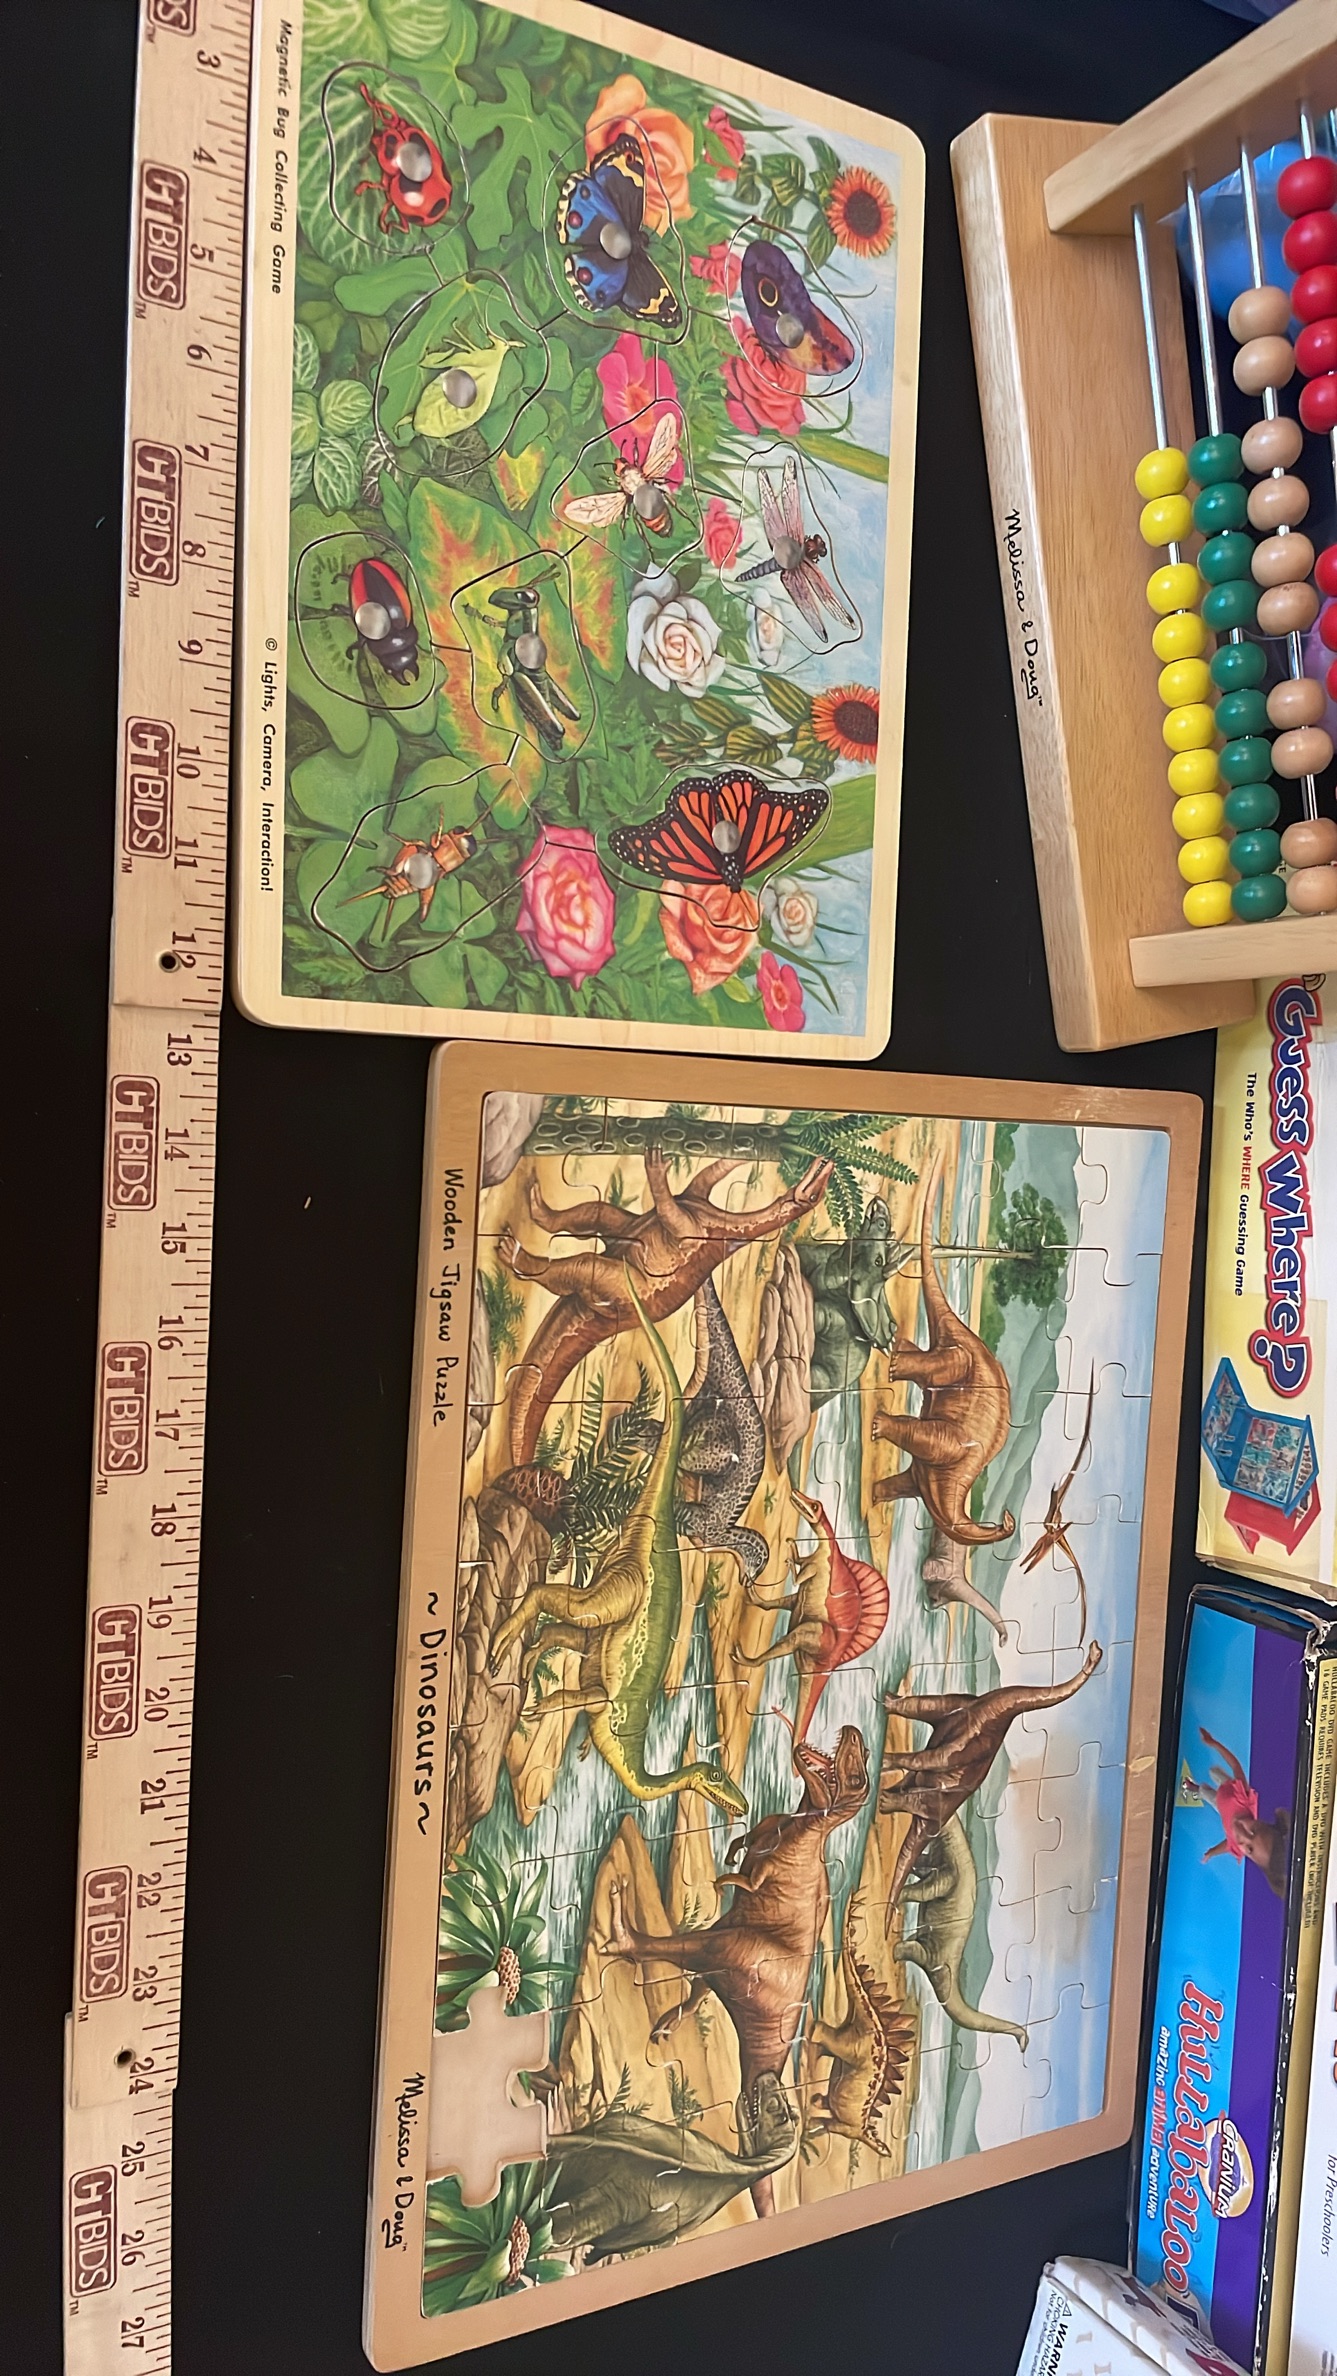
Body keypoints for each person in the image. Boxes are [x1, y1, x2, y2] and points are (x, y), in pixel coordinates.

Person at [1180, 1727, 1291, 1898]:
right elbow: (1235, 1765)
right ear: (1260, 1821)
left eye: (1249, 1849)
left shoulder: (1237, 1844)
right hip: (1229, 1791)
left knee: (1206, 1793)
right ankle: (1216, 1780)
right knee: (1214, 1772)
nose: (1242, 1835)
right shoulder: (1243, 1796)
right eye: (1253, 1830)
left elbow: (1228, 1845)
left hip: (1221, 1805)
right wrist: (1214, 1743)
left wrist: (1211, 1852)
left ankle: (1194, 1788)